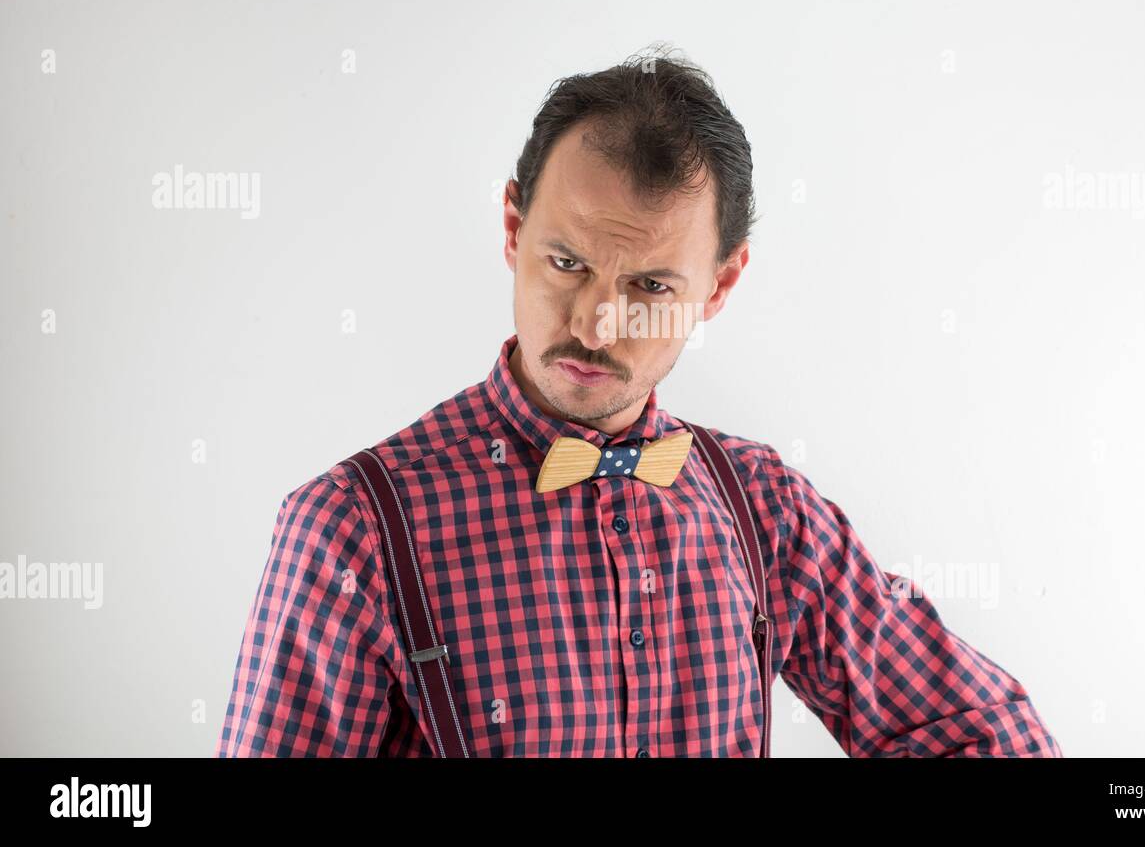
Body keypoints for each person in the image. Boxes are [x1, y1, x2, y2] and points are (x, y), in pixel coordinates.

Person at [216, 50, 1062, 757]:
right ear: (513, 230)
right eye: (565, 263)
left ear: (720, 285)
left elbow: (982, 734)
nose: (593, 323)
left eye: (649, 284)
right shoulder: (351, 529)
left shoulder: (765, 509)